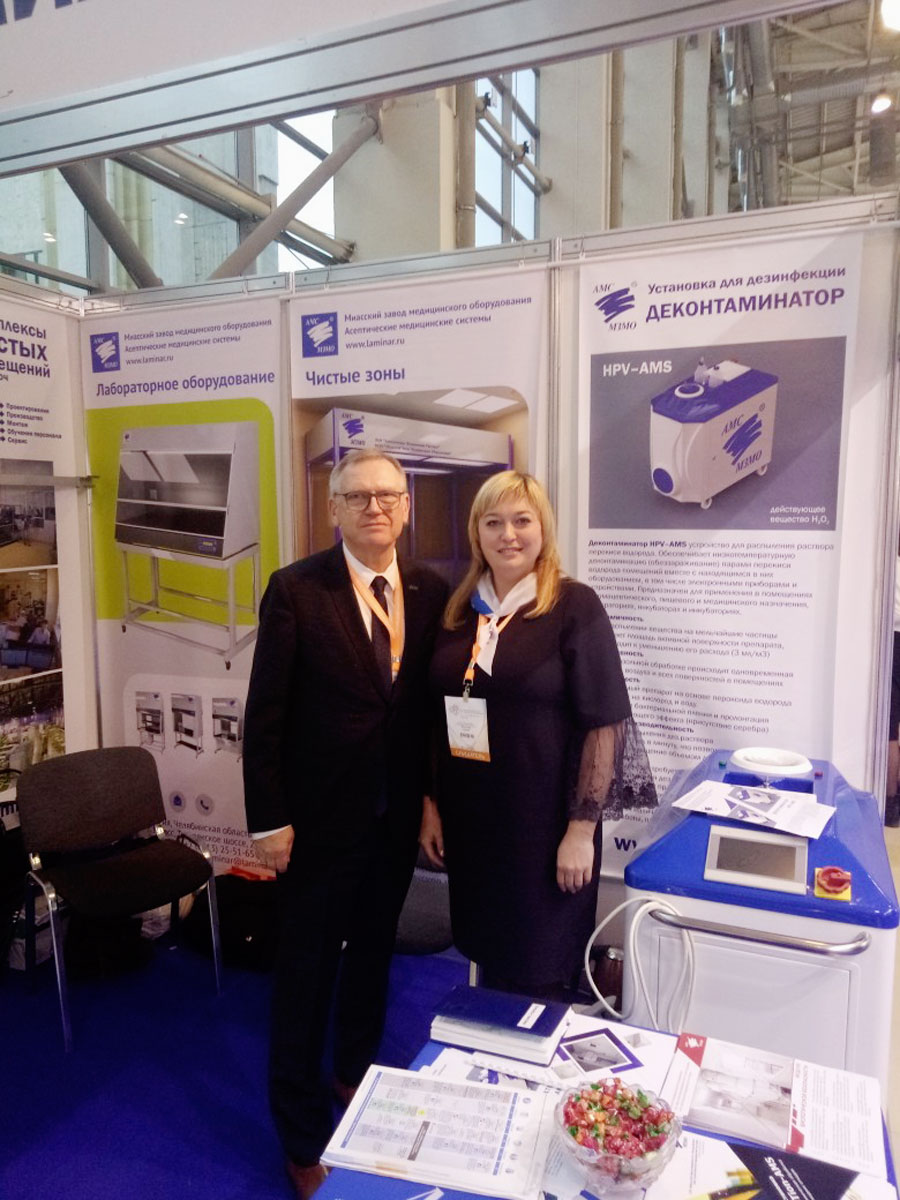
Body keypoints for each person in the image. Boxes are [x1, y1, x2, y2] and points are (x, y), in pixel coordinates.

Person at [243, 448, 447, 1200]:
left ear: (406, 506)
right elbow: (264, 716)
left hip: (393, 820)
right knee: (305, 979)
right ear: (333, 509)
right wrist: (270, 820)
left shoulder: (428, 589)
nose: (374, 507)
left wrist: (429, 799)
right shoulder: (297, 589)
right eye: (357, 496)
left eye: (387, 494)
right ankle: (300, 1138)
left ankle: (353, 1072)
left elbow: (422, 712)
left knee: (371, 959)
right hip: (316, 825)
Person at [422, 470, 653, 998]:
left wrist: (581, 831)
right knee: (486, 954)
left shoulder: (574, 606)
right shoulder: (458, 610)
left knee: (539, 969)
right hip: (473, 824)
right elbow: (436, 717)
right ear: (476, 533)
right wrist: (431, 806)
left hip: (544, 829)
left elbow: (604, 724)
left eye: (522, 521)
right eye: (493, 522)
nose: (508, 535)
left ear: (543, 529)